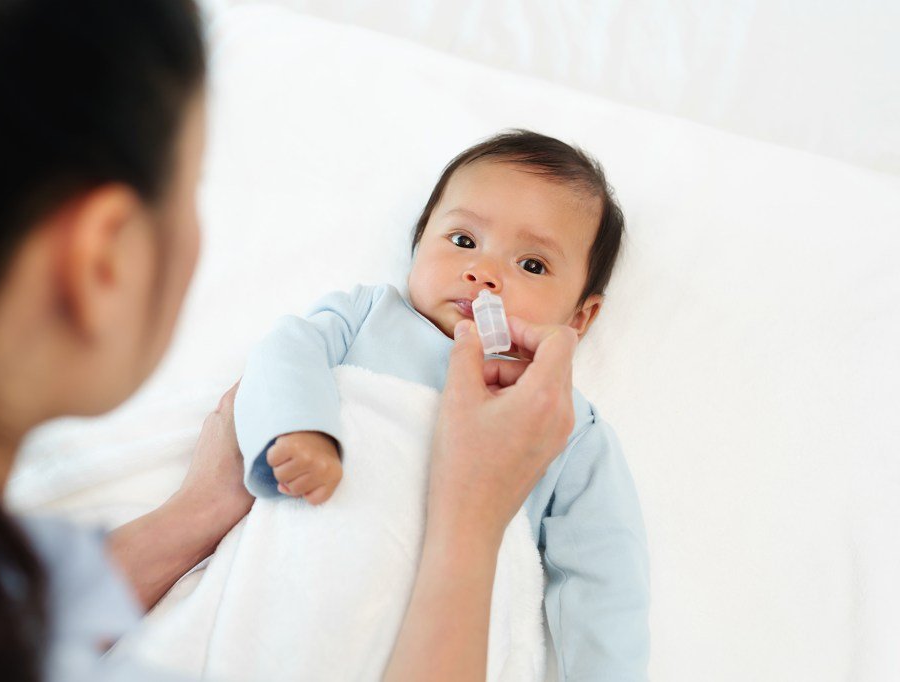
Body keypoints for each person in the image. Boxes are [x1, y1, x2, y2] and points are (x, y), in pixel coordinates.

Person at [0, 1, 580, 680]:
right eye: (192, 188)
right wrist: (471, 521)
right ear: (100, 264)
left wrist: (199, 510)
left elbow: (12, 629)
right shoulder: (360, 321)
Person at [234, 130, 650, 678]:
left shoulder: (562, 420)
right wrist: (302, 429)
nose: (484, 274)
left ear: (579, 318)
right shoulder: (365, 317)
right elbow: (286, 353)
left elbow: (606, 578)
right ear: (417, 244)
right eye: (462, 240)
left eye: (531, 265)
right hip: (304, 589)